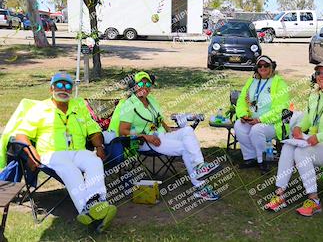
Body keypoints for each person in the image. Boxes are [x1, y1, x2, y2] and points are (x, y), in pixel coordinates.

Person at [15, 72, 116, 231]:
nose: (64, 89)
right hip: (51, 153)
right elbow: (21, 135)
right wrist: (31, 152)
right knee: (70, 169)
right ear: (51, 89)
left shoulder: (79, 106)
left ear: (72, 89)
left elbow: (94, 130)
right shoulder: (40, 108)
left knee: (94, 161)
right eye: (59, 85)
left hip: (78, 151)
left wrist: (99, 147)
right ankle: (88, 210)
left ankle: (96, 202)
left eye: (68, 86)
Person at [265, 63, 323, 217]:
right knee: (287, 147)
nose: (321, 75)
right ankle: (280, 195)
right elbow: (307, 120)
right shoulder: (314, 96)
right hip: (315, 141)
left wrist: (320, 137)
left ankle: (314, 201)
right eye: (318, 72)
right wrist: (298, 128)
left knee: (301, 153)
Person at [118, 71, 221, 200]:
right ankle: (200, 186)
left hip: (161, 135)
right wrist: (145, 137)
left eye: (148, 83)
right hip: (144, 142)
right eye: (140, 83)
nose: (145, 87)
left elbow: (159, 120)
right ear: (134, 85)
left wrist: (172, 131)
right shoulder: (129, 105)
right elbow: (123, 131)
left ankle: (200, 166)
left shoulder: (151, 100)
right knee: (185, 148)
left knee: (187, 131)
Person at [234, 56, 290, 174]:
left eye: (266, 65)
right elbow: (241, 101)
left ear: (272, 67)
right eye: (260, 65)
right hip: (253, 120)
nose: (262, 68)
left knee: (256, 130)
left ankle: (262, 161)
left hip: (273, 123)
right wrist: (243, 115)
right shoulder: (251, 81)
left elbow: (281, 109)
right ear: (256, 68)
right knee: (239, 125)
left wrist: (260, 119)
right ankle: (250, 158)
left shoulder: (279, 83)